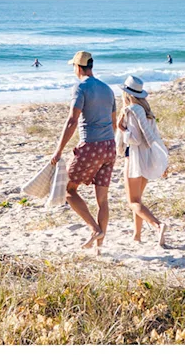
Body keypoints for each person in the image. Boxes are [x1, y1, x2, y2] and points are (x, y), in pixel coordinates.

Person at [49, 51, 117, 252]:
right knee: (102, 200)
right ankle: (99, 248)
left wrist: (59, 149)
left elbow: (72, 120)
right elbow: (113, 123)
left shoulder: (80, 87)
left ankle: (94, 229)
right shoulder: (108, 89)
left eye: (73, 66)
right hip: (109, 146)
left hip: (91, 145)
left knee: (68, 190)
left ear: (78, 67)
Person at [116, 76, 170, 247]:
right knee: (138, 200)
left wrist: (122, 129)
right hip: (147, 158)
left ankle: (157, 225)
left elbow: (134, 140)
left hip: (134, 159)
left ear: (126, 94)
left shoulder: (131, 110)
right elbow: (154, 137)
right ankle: (137, 235)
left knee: (132, 202)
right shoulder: (147, 112)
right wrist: (162, 161)